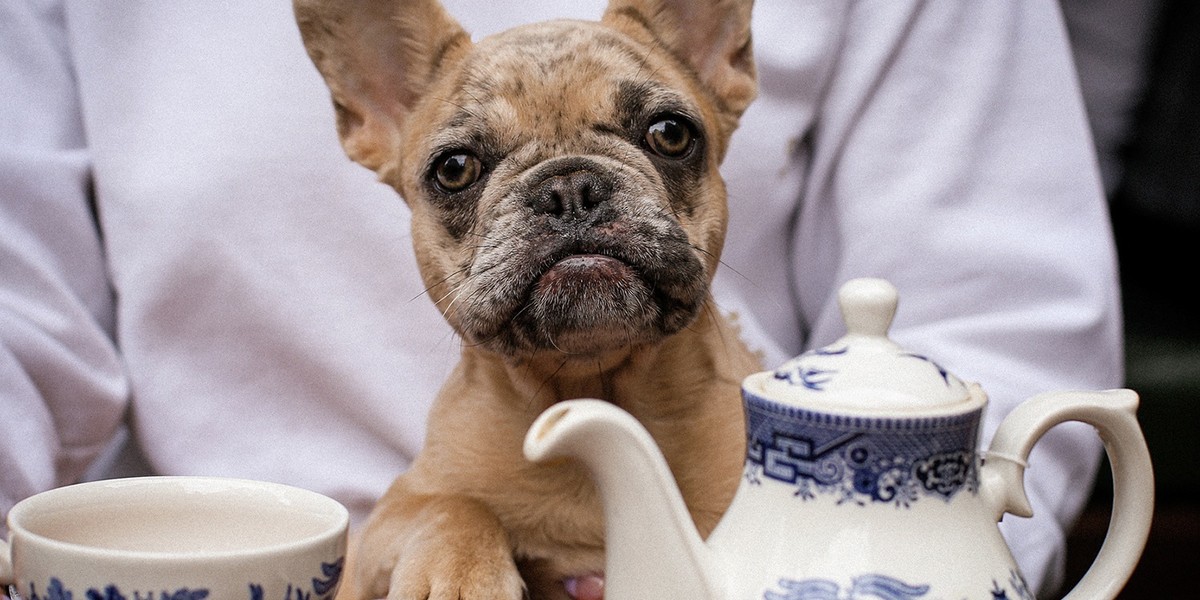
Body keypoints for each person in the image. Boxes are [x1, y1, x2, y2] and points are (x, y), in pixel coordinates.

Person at [0, 1, 1121, 596]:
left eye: (663, 137)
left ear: (727, 72)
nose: (574, 201)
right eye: (460, 170)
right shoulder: (463, 462)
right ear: (372, 124)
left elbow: (1004, 326)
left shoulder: (790, 460)